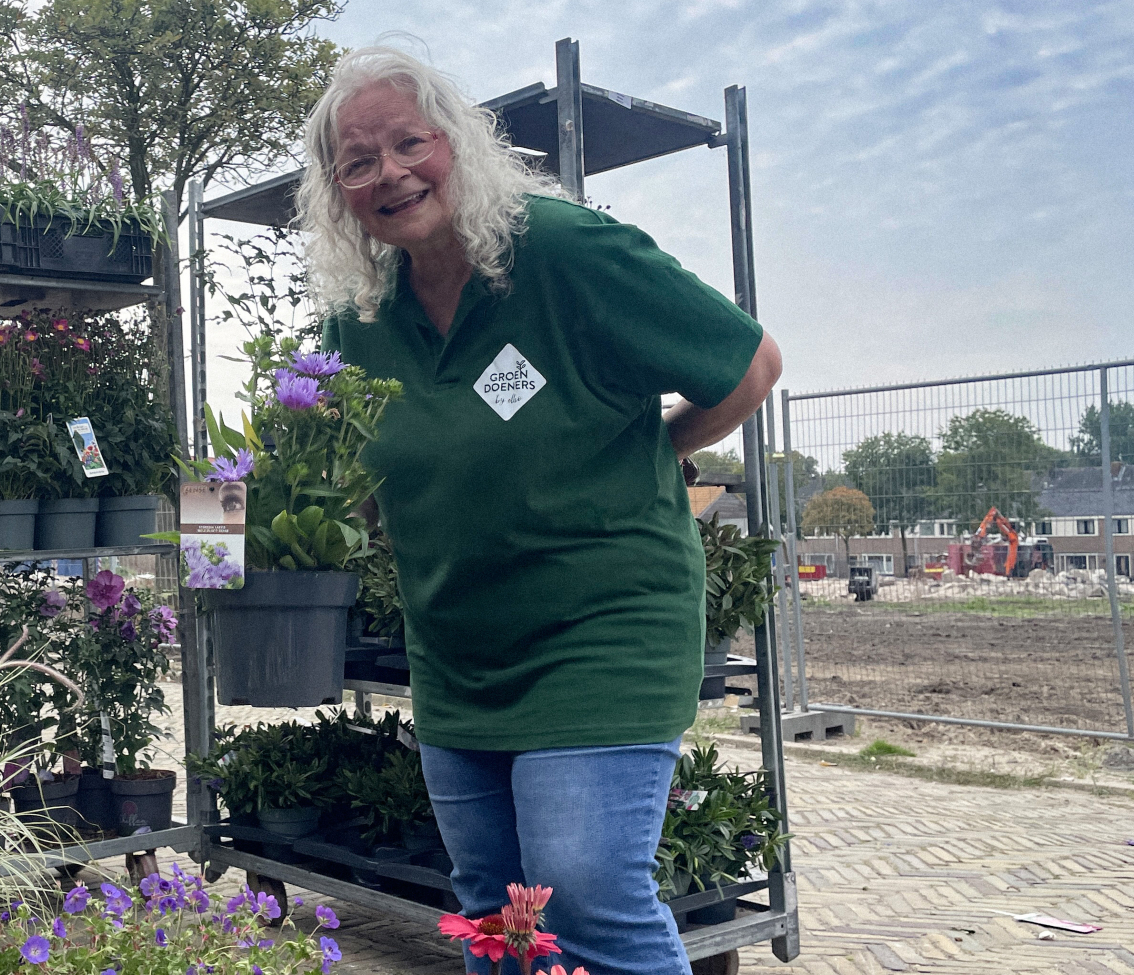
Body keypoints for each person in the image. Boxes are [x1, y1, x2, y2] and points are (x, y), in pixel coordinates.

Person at [308, 47, 782, 975]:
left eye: (410, 143)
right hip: (457, 652)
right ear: (337, 191)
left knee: (586, 893)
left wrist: (654, 448)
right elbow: (348, 478)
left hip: (599, 630)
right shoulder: (358, 321)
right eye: (358, 162)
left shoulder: (564, 252)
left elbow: (749, 367)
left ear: (462, 144)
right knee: (495, 916)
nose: (390, 174)